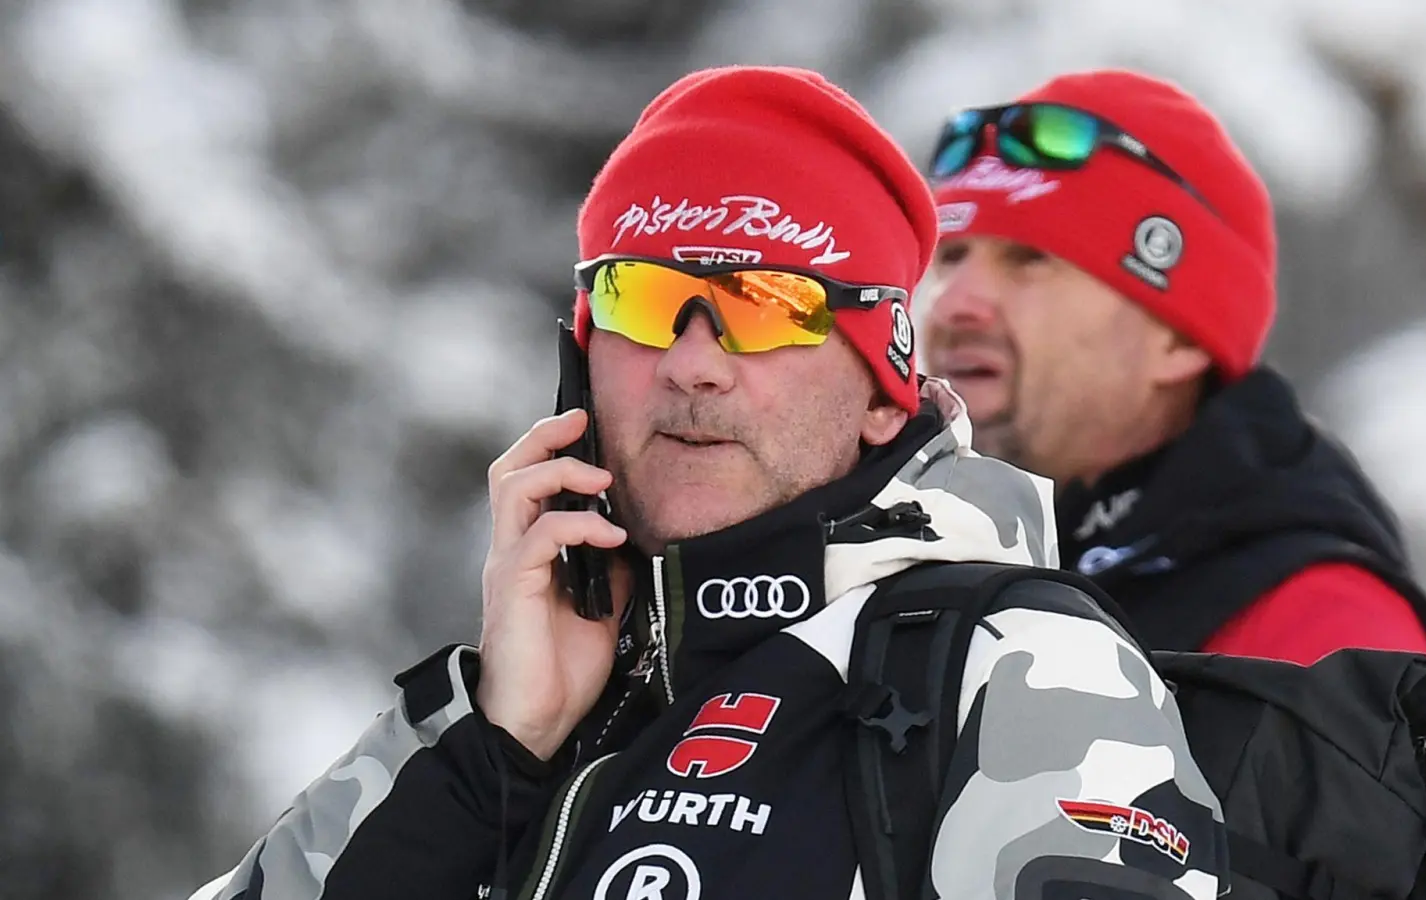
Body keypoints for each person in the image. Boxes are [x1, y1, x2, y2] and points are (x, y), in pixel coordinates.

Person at [188, 66, 1230, 900]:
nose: (692, 364)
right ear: (582, 362)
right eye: (644, 301)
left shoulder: (1014, 666)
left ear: (883, 390)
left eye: (767, 302)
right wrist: (494, 752)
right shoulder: (509, 704)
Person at [919, 69, 1426, 899]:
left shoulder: (1315, 621)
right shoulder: (909, 559)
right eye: (952, 256)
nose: (957, 303)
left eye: (1030, 262)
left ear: (1177, 341)